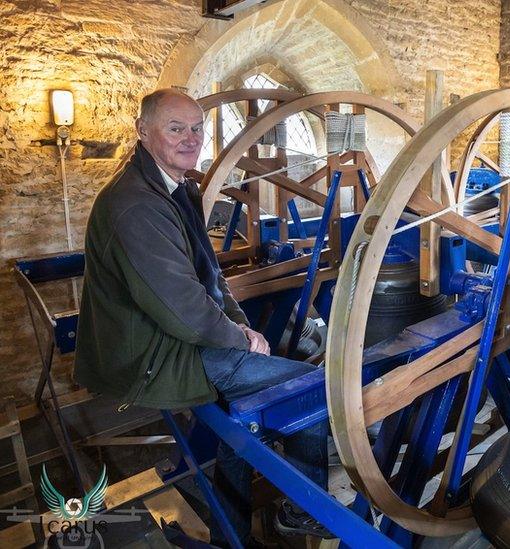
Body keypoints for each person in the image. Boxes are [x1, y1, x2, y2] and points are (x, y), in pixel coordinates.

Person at [74, 88, 331, 546]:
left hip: (172, 339)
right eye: (176, 129)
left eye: (196, 128)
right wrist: (236, 338)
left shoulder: (176, 188)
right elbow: (180, 306)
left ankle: (229, 528)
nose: (190, 138)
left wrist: (241, 326)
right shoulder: (136, 205)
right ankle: (299, 510)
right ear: (143, 132)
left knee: (245, 409)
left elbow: (209, 277)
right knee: (308, 389)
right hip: (151, 354)